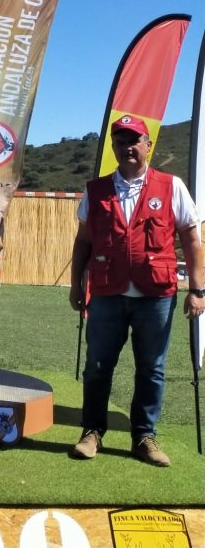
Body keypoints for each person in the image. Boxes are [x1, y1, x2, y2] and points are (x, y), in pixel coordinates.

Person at [69, 114, 204, 467]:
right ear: (113, 146)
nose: (127, 147)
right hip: (106, 293)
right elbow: (83, 241)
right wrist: (75, 284)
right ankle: (91, 432)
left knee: (151, 368)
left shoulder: (171, 186)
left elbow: (191, 238)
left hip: (156, 296)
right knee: (97, 366)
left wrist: (198, 289)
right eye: (120, 141)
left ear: (148, 145)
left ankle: (144, 437)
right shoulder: (95, 190)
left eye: (134, 141)